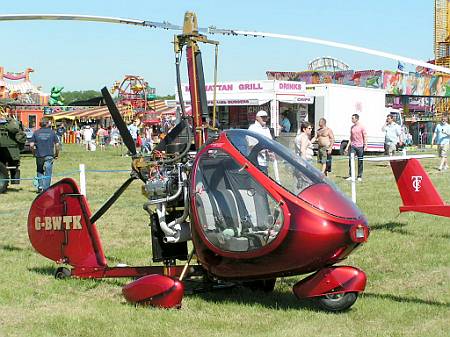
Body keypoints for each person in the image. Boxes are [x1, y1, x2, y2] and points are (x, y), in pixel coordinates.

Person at [30, 119, 60, 193]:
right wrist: (56, 154)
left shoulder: (36, 132)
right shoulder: (52, 133)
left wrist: (34, 153)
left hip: (39, 154)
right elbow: (57, 145)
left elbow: (31, 145)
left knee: (39, 170)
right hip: (49, 155)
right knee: (48, 172)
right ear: (47, 124)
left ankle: (40, 187)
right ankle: (46, 189)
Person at [344, 114, 367, 182]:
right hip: (353, 146)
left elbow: (365, 136)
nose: (352, 119)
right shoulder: (352, 127)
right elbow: (351, 138)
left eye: (353, 118)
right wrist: (347, 147)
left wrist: (365, 145)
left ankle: (359, 176)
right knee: (351, 160)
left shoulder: (361, 127)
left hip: (360, 146)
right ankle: (351, 175)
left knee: (360, 161)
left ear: (356, 119)